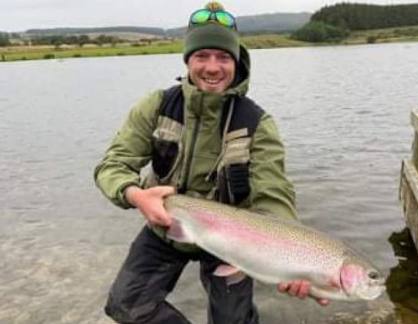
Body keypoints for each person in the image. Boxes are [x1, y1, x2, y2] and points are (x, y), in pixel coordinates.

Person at [94, 2, 328, 323]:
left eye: (223, 57)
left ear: (237, 62)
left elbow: (274, 197)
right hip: (166, 228)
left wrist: (289, 260)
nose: (213, 67)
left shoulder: (258, 123)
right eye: (202, 56)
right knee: (126, 305)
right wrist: (136, 196)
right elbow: (112, 166)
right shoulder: (157, 105)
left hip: (233, 242)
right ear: (188, 59)